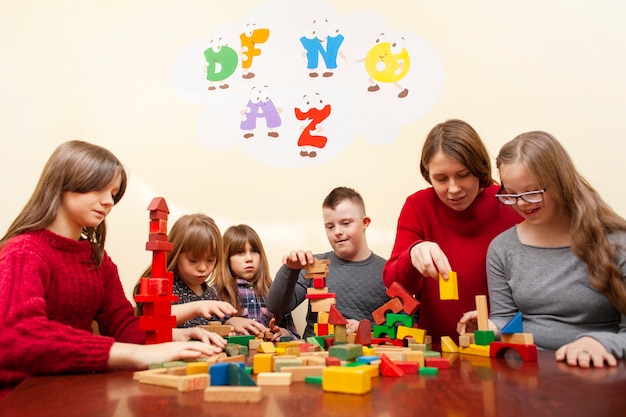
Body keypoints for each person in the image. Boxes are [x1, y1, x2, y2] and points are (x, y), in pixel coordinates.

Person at [0, 140, 223, 399]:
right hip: (25, 396)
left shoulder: (98, 259)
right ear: (63, 184)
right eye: (98, 189)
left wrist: (174, 335)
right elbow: (17, 336)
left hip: (81, 392)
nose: (108, 202)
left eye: (114, 194)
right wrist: (136, 353)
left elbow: (123, 326)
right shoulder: (24, 252)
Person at [457, 131, 626, 368]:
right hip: (525, 373)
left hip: (597, 371)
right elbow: (505, 318)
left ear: (560, 182)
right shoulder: (503, 249)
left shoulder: (617, 243)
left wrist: (600, 342)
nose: (522, 203)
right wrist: (489, 327)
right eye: (512, 195)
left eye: (532, 191)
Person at [382, 119, 522, 346]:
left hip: (503, 348)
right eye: (441, 178)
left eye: (463, 175)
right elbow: (393, 285)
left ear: (479, 169)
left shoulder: (508, 202)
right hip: (438, 351)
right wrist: (413, 253)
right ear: (428, 174)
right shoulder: (418, 206)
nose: (453, 189)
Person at [267, 186, 391, 339]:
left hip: (366, 358)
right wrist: (290, 269)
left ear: (365, 222)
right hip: (315, 356)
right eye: (330, 226)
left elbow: (404, 326)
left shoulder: (388, 271)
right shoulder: (313, 265)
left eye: (346, 223)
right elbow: (277, 307)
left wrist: (367, 328)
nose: (337, 231)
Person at [135, 214, 237, 328]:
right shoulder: (161, 285)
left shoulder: (211, 293)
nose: (203, 268)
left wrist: (231, 322)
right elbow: (155, 317)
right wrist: (196, 307)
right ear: (175, 254)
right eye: (193, 260)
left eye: (210, 260)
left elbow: (215, 325)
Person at [217, 224, 300, 341]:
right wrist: (228, 324)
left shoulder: (275, 292)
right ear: (226, 258)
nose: (249, 258)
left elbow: (295, 337)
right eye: (240, 252)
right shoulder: (217, 293)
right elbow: (207, 337)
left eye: (254, 251)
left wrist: (284, 334)